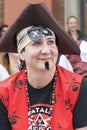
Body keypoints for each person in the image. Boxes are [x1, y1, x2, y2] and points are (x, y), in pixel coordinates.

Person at [0, 2, 87, 130]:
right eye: (36, 43)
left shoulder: (78, 88)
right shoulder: (4, 92)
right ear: (21, 53)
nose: (46, 50)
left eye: (51, 42)